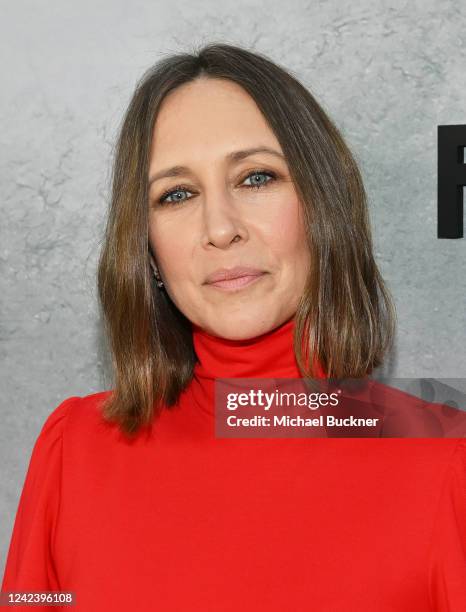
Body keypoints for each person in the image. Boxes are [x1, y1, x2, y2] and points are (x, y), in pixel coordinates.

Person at [2, 43, 465, 611]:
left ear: (323, 207)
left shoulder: (446, 460)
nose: (219, 228)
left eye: (255, 177)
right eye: (177, 194)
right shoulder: (73, 450)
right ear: (146, 249)